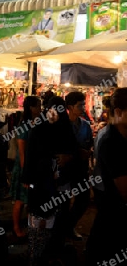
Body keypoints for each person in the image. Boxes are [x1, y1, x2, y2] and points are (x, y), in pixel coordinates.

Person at [21, 96, 77, 265]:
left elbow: (74, 150)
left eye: (58, 111)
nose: (54, 115)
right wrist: (28, 179)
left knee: (60, 216)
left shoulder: (66, 128)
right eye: (52, 111)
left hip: (62, 183)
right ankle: (38, 253)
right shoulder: (38, 128)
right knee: (40, 218)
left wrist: (68, 157)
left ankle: (54, 252)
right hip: (41, 183)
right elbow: (30, 155)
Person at [85, 88, 127, 266]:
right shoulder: (111, 140)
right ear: (118, 112)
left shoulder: (120, 136)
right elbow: (124, 187)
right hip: (112, 206)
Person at [9, 96, 41, 238]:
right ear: (31, 108)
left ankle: (28, 226)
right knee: (20, 200)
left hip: (32, 166)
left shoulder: (37, 123)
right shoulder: (25, 125)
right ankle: (16, 228)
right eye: (38, 106)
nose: (41, 109)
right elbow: (22, 151)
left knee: (30, 199)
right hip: (24, 167)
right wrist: (25, 171)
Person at [64, 91, 93, 240]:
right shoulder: (61, 126)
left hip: (81, 170)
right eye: (80, 105)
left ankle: (69, 226)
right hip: (64, 171)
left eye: (83, 104)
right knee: (63, 202)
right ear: (70, 107)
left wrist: (87, 153)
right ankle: (62, 231)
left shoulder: (86, 125)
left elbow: (89, 145)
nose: (83, 107)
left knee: (83, 200)